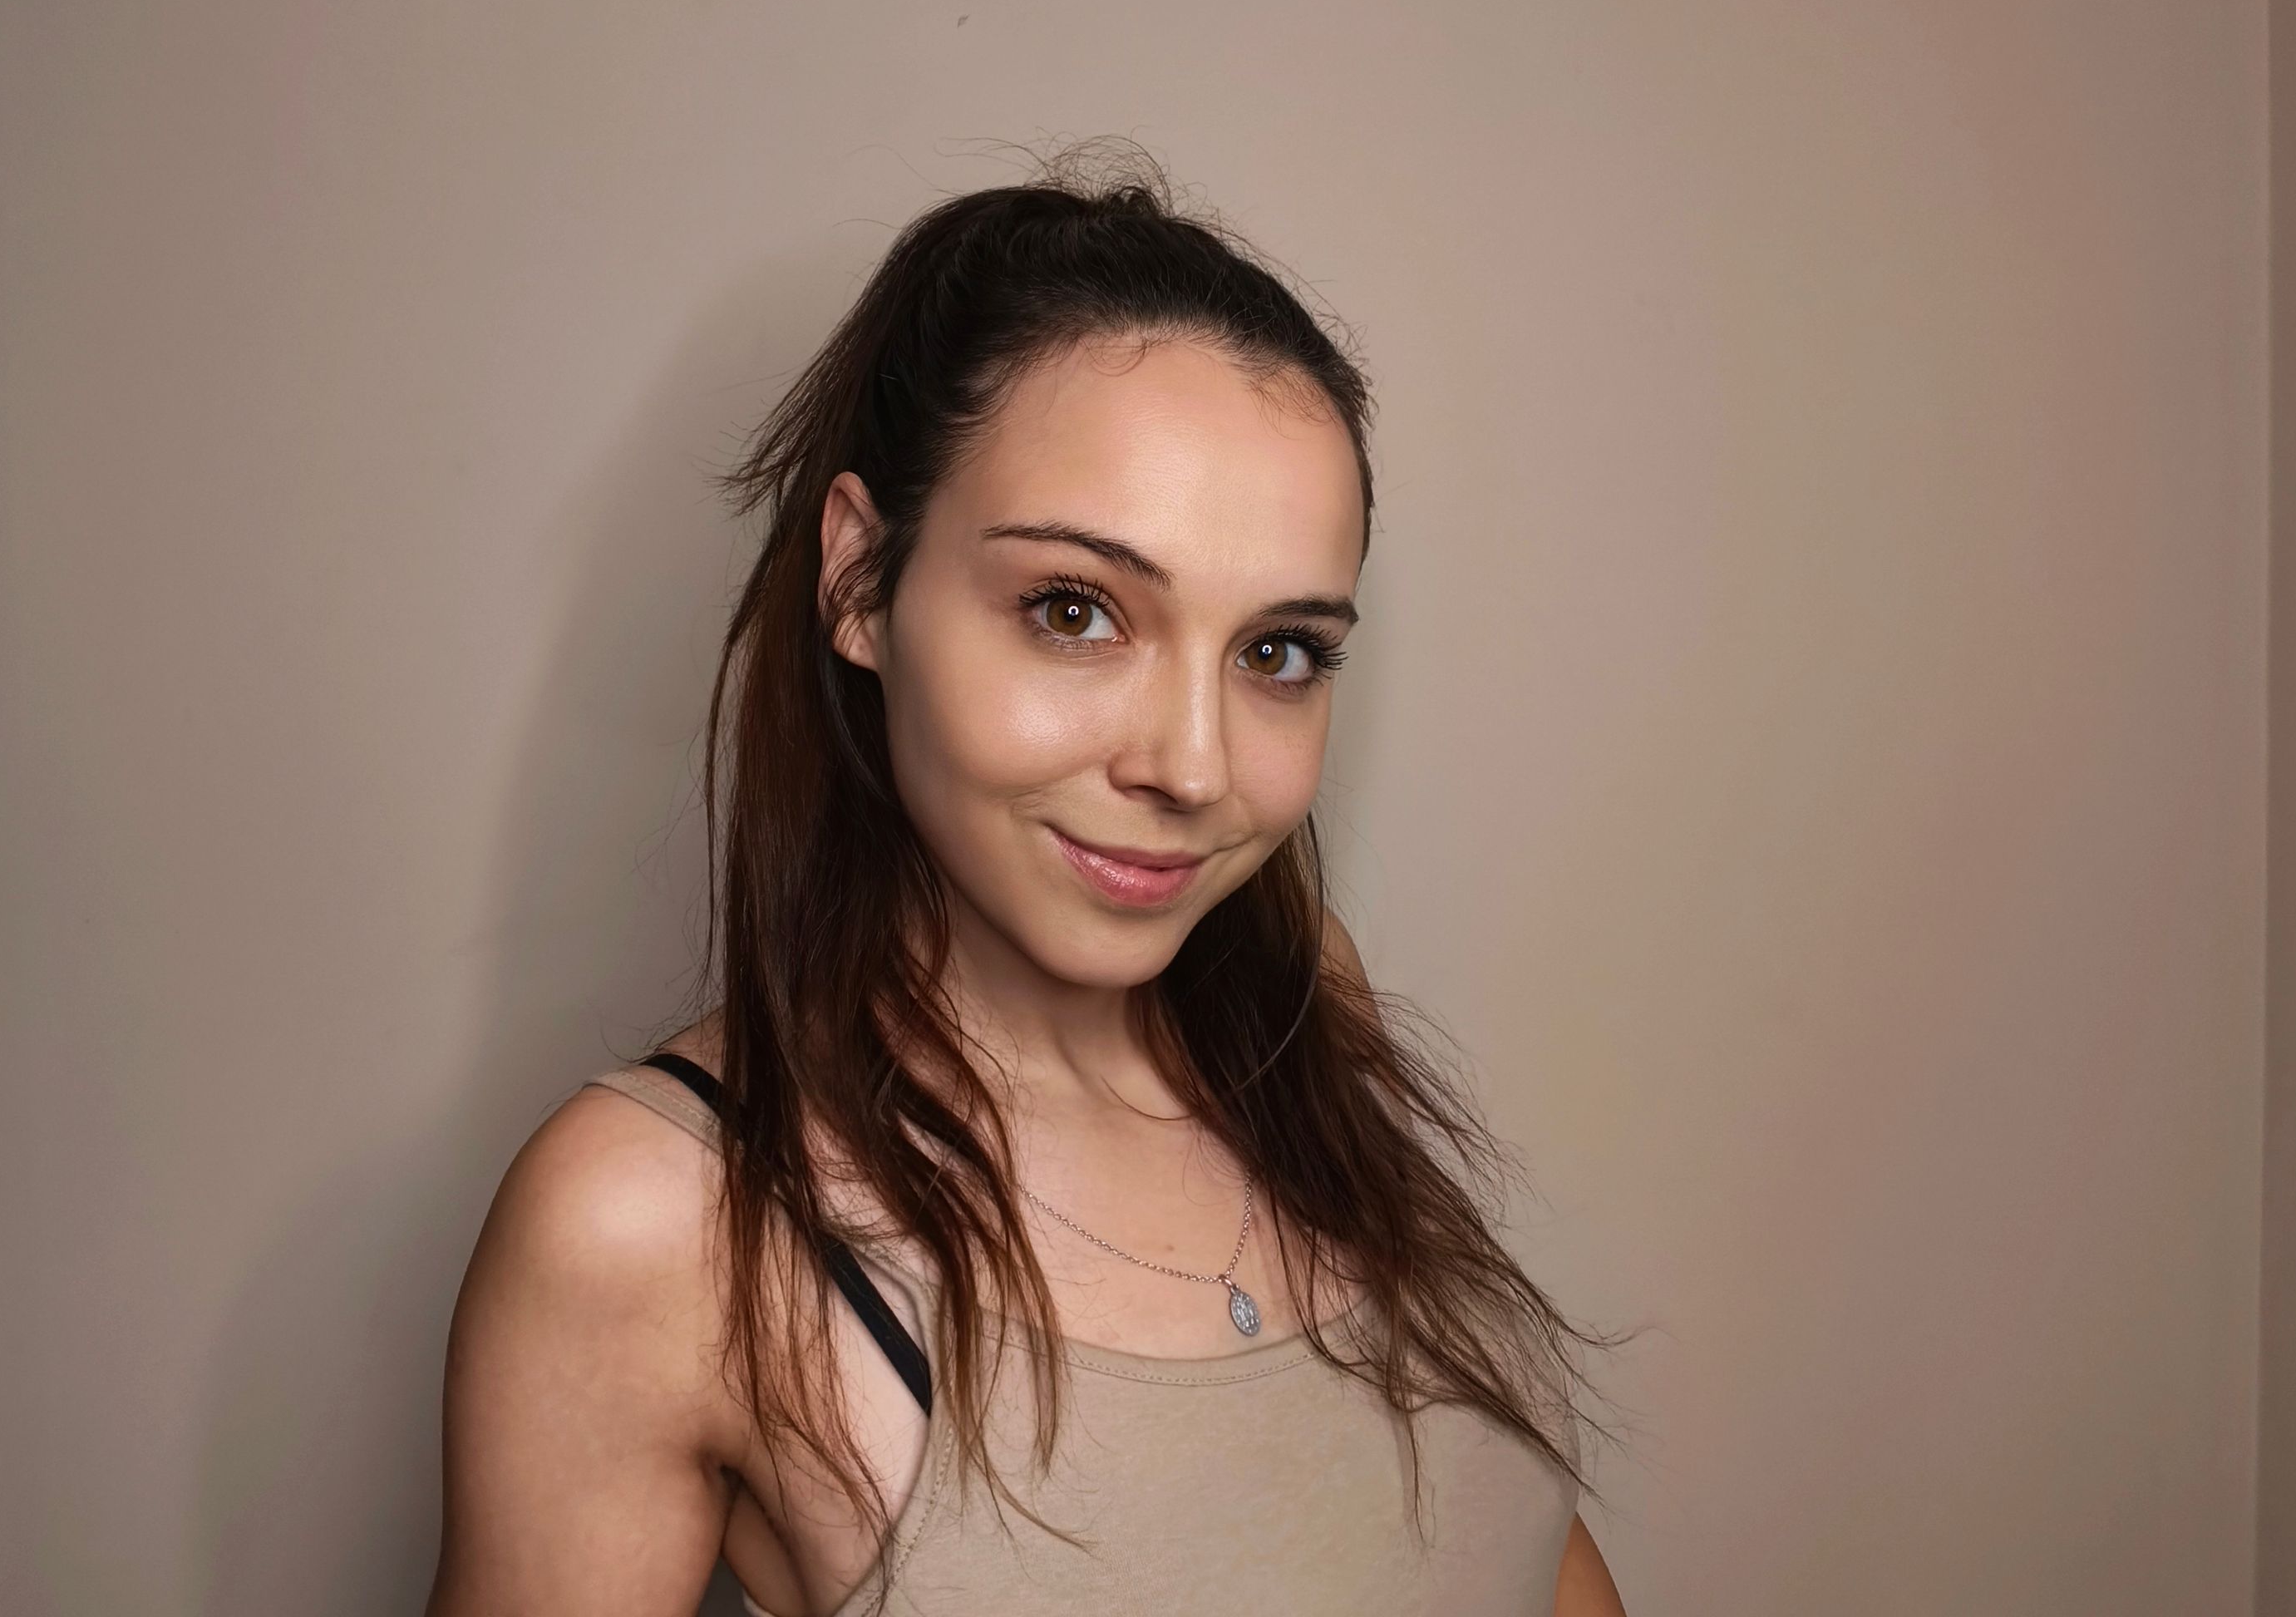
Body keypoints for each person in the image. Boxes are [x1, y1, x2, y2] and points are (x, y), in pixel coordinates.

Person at [426, 145, 1627, 1616]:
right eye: (1074, 611)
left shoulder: (1298, 1001)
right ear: (859, 580)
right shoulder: (657, 1222)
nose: (1193, 767)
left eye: (1279, 652)